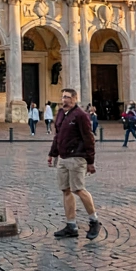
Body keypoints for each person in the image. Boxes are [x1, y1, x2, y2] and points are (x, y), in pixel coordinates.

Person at [47, 88, 100, 239]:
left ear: (75, 99)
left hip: (77, 157)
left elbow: (89, 138)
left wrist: (90, 161)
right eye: (63, 97)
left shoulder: (80, 115)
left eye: (68, 97)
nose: (64, 100)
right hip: (63, 157)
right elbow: (58, 136)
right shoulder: (60, 114)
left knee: (79, 189)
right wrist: (52, 153)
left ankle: (94, 220)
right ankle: (71, 225)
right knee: (65, 189)